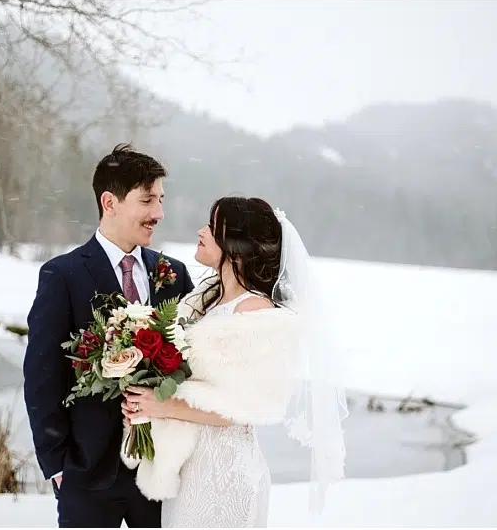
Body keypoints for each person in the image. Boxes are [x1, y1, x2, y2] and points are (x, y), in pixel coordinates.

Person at [121, 196, 348, 527]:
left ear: (238, 247)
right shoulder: (206, 299)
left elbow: (238, 408)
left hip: (224, 472)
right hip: (194, 465)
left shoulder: (256, 312)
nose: (202, 231)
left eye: (213, 228)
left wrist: (162, 405)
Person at [23, 143, 195, 528]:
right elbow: (42, 377)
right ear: (110, 202)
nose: (158, 214)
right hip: (86, 475)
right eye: (147, 200)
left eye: (161, 201)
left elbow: (192, 365)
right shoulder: (62, 275)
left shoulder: (174, 274)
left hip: (160, 477)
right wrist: (57, 464)